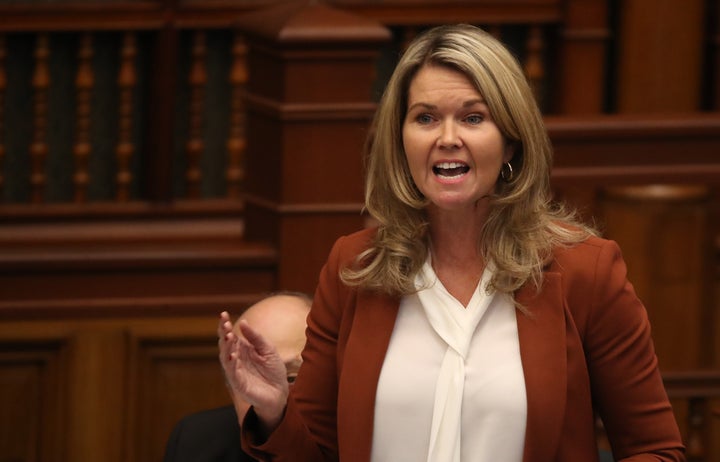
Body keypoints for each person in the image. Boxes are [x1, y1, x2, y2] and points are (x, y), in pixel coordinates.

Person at [219, 24, 685, 462]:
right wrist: (276, 410)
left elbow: (656, 449)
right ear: (400, 141)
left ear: (510, 142)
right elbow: (317, 453)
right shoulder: (354, 268)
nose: (447, 138)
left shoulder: (586, 272)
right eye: (425, 118)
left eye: (473, 117)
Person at [164, 292, 311, 462]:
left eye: (291, 378)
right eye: (254, 377)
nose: (266, 397)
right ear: (231, 391)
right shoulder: (195, 441)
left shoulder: (346, 440)